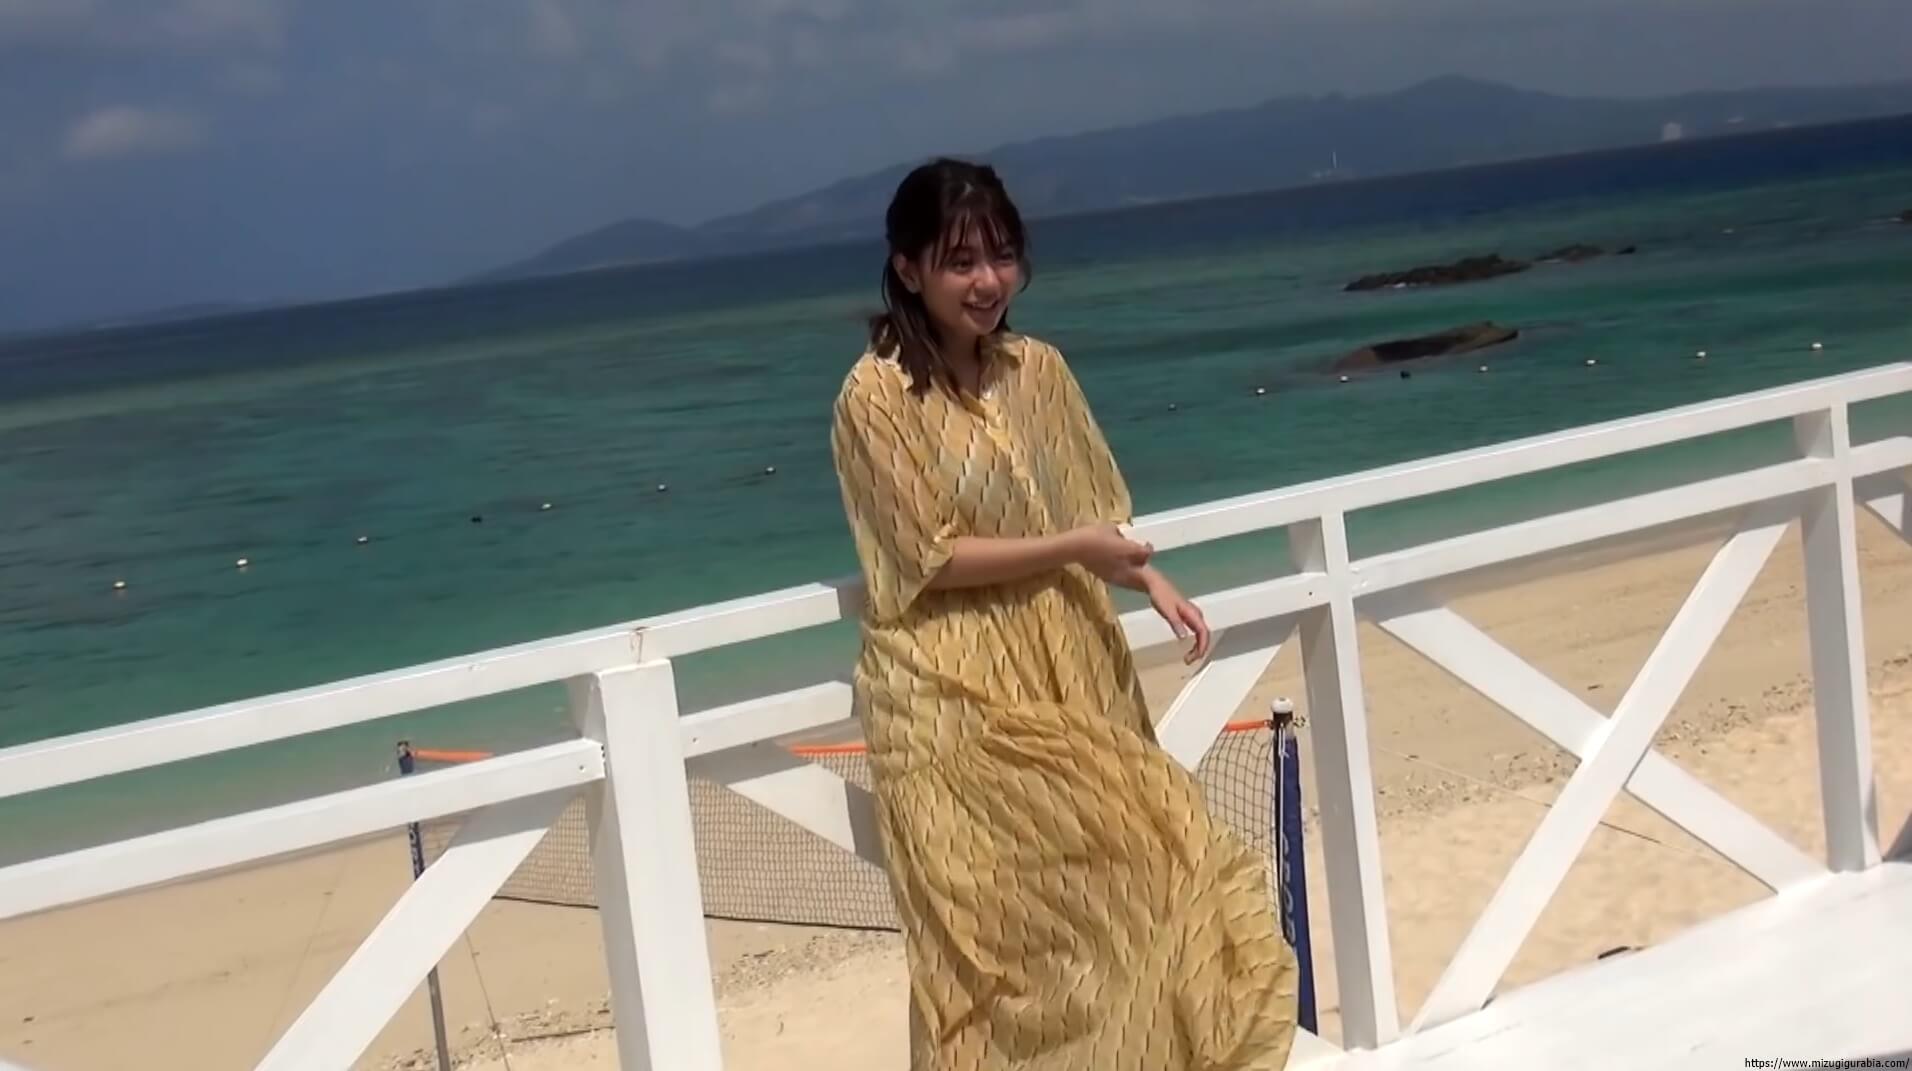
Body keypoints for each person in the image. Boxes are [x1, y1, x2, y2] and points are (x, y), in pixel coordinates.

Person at [829, 157, 1299, 1070]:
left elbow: (1086, 512)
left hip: (1068, 658)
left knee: (1158, 872)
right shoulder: (874, 397)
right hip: (949, 689)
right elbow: (927, 560)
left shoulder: (1037, 371)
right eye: (960, 261)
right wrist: (1076, 550)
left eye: (1002, 256)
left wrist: (1146, 579)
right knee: (1008, 950)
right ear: (908, 268)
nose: (988, 281)